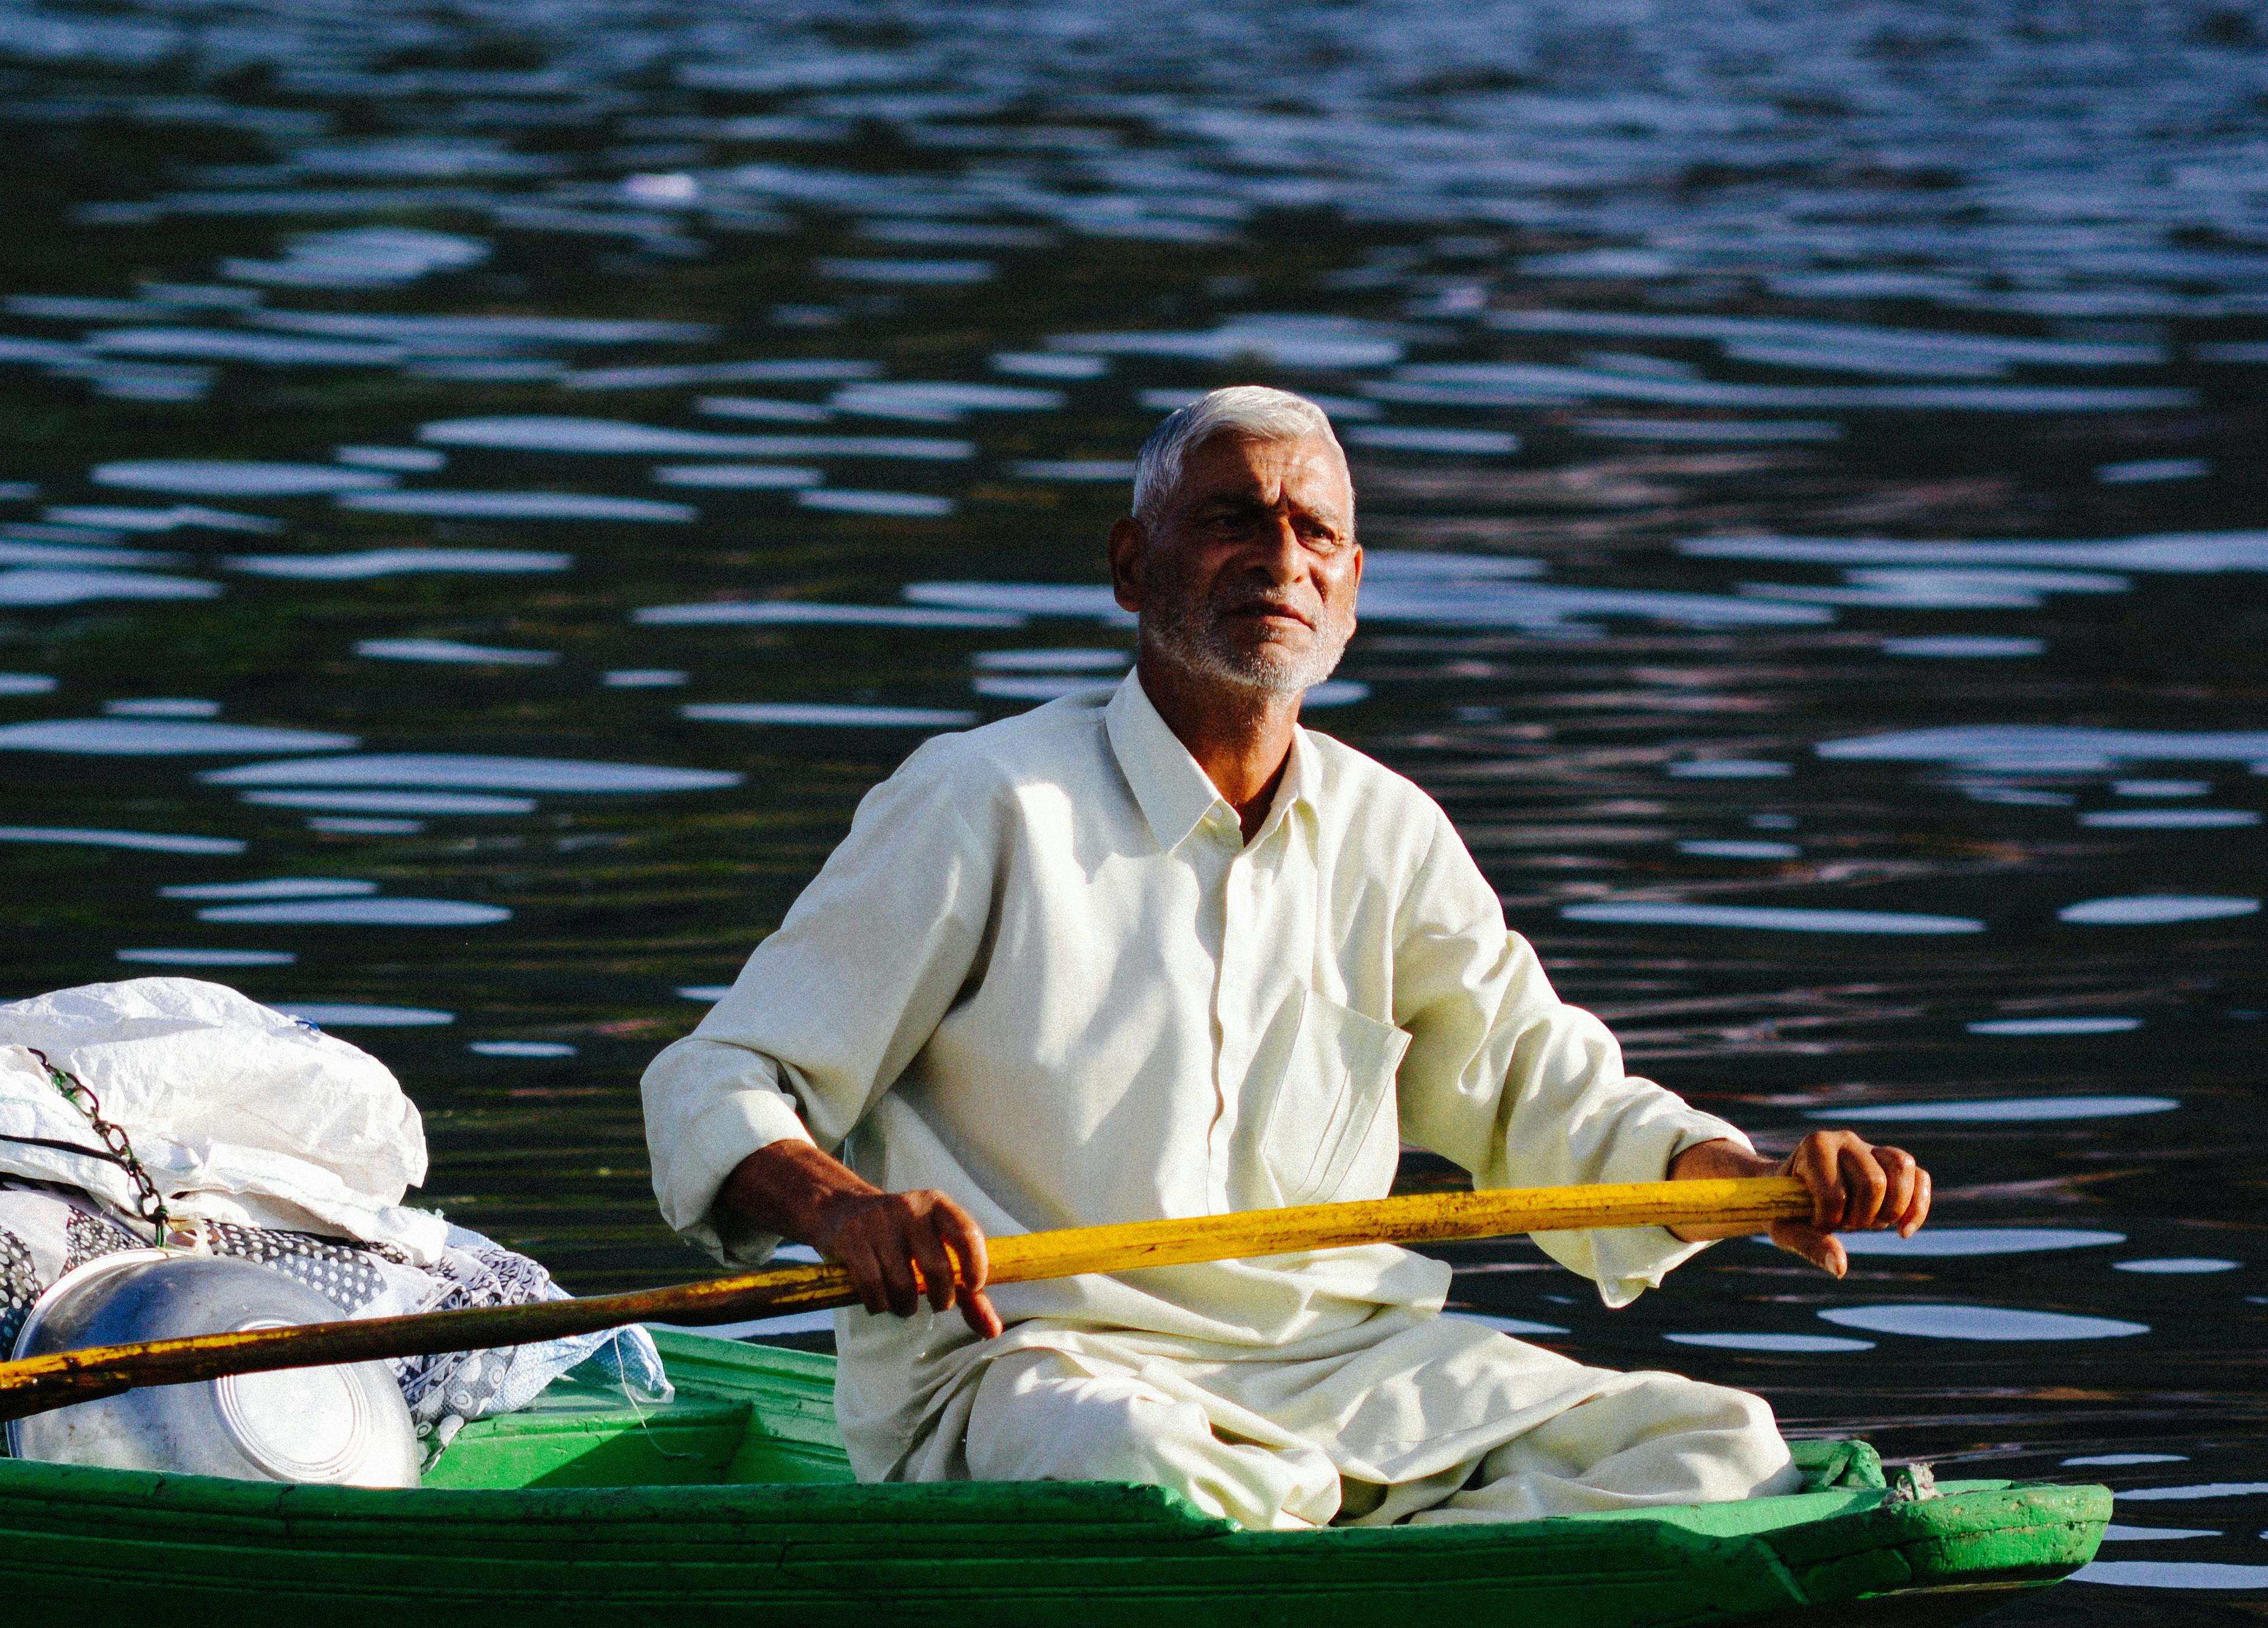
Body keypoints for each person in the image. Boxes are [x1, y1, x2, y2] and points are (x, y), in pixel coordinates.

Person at [640, 385, 1930, 1531]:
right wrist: (841, 1209)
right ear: (1130, 566)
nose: (1278, 559)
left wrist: (1746, 1179)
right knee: (1154, 1479)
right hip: (1038, 1369)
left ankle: (1384, 1576)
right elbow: (716, 1076)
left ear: (1351, 588)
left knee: (1717, 1448)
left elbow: (1542, 1090)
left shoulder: (1390, 831)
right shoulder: (983, 798)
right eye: (1230, 520)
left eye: (1312, 533)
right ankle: (1376, 1563)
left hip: (1340, 1373)